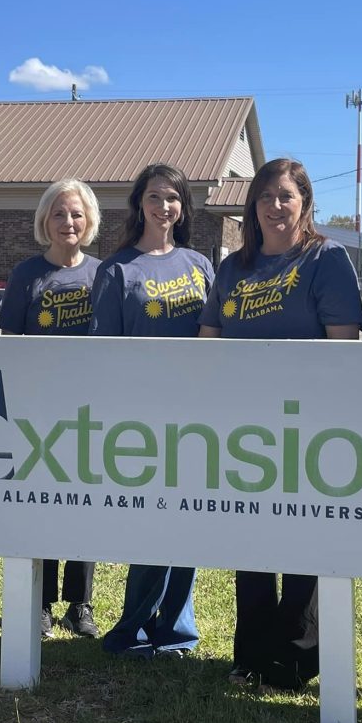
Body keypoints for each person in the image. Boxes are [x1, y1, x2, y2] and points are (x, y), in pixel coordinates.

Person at [199, 157, 361, 690]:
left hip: (307, 427)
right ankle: (250, 654)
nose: (274, 205)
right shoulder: (233, 267)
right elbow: (209, 345)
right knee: (250, 538)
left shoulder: (326, 259)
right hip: (243, 430)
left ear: (305, 203)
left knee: (302, 536)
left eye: (285, 196)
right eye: (265, 196)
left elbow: (344, 350)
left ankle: (294, 657)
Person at [90, 162, 214, 659]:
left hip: (197, 414)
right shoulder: (117, 270)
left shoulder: (200, 265)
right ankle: (134, 627)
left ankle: (178, 632)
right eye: (155, 197)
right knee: (150, 522)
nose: (165, 207)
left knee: (188, 522)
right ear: (139, 204)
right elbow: (104, 350)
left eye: (173, 198)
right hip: (142, 416)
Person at [0, 178, 103, 640]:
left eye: (76, 214)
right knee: (42, 502)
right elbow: (11, 345)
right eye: (59, 213)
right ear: (45, 221)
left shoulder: (104, 273)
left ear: (90, 220)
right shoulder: (27, 274)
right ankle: (39, 603)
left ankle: (80, 603)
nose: (68, 222)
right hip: (37, 410)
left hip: (90, 407)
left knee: (84, 504)